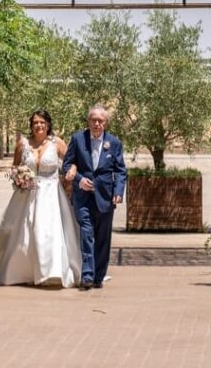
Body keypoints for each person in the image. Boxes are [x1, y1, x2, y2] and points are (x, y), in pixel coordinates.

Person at [0, 109, 82, 287]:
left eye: (42, 122)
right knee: (24, 232)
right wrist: (19, 178)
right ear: (31, 125)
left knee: (47, 232)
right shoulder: (23, 144)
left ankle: (51, 273)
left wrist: (72, 169)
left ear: (48, 124)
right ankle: (21, 271)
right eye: (35, 122)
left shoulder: (56, 142)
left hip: (51, 194)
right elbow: (14, 168)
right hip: (26, 194)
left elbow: (71, 161)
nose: (39, 125)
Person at [62, 104, 127, 290]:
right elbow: (66, 165)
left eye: (100, 121)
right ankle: (88, 276)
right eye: (93, 120)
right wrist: (79, 179)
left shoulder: (114, 143)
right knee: (87, 235)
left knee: (103, 240)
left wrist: (118, 192)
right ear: (88, 121)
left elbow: (120, 171)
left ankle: (99, 276)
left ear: (105, 123)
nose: (96, 123)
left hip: (105, 199)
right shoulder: (77, 139)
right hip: (83, 198)